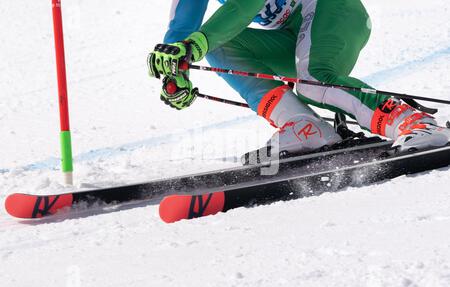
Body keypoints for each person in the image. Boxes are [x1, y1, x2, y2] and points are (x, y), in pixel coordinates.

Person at [147, 0, 450, 155]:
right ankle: (304, 127)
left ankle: (413, 121)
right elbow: (182, 27)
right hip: (292, 34)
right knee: (219, 46)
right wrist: (177, 70)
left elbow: (243, 7)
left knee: (312, 82)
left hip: (333, 12)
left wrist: (193, 45)